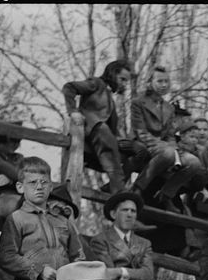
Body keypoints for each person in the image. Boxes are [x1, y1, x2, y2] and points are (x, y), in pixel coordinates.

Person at [0, 157, 85, 280]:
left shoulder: (63, 221)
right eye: (32, 182)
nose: (39, 187)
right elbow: (6, 256)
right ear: (20, 187)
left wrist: (74, 277)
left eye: (44, 182)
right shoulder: (17, 218)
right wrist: (38, 270)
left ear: (51, 187)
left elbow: (78, 255)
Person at [86, 190, 179, 280]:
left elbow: (148, 275)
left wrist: (120, 271)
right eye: (125, 210)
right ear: (113, 214)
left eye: (133, 211)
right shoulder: (101, 241)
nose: (129, 214)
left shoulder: (144, 243)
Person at [62, 59, 147, 193]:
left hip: (107, 140)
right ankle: (119, 189)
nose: (124, 84)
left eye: (126, 81)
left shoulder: (111, 101)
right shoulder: (96, 84)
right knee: (102, 129)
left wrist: (125, 141)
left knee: (141, 150)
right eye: (122, 79)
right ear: (112, 74)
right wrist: (73, 112)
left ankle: (114, 184)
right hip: (91, 130)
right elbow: (69, 87)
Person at [130, 65, 202, 200]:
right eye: (159, 81)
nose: (164, 85)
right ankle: (138, 188)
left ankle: (165, 195)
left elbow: (169, 135)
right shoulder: (138, 102)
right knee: (168, 154)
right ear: (150, 82)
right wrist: (167, 147)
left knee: (194, 163)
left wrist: (173, 146)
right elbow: (141, 132)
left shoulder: (169, 108)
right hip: (143, 143)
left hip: (165, 147)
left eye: (166, 81)